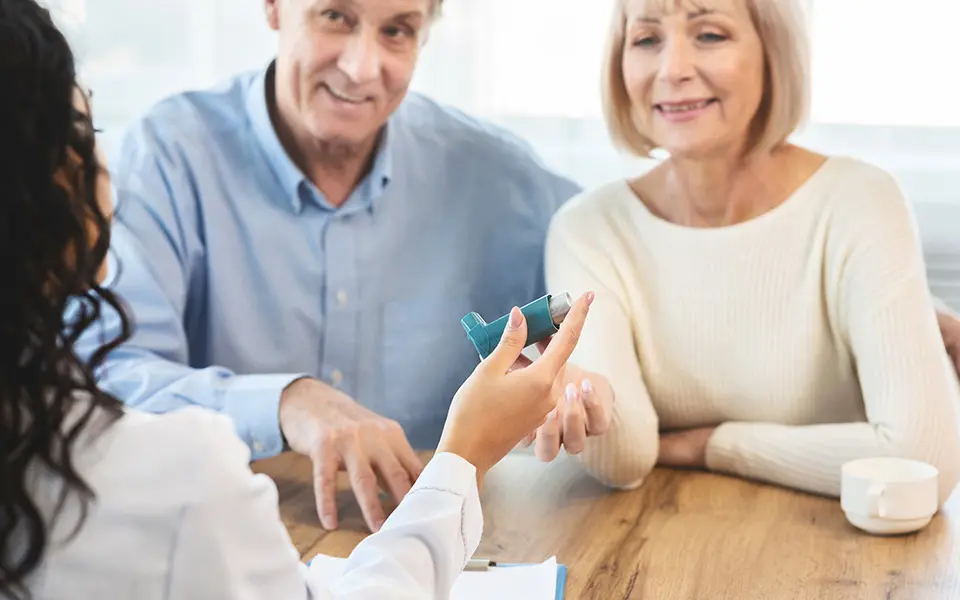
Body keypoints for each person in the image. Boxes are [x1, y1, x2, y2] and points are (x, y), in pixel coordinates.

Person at [0, 4, 594, 598]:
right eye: (335, 15)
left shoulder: (502, 176)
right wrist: (283, 402)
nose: (363, 68)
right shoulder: (171, 152)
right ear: (275, 8)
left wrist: (589, 381)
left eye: (398, 30)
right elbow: (104, 376)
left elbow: (614, 289)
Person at [535, 0, 960, 504]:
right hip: (664, 546)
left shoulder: (860, 202)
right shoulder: (587, 231)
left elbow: (919, 462)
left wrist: (712, 446)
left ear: (772, 53)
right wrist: (585, 400)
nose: (672, 70)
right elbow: (625, 459)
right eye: (647, 40)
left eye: (710, 35)